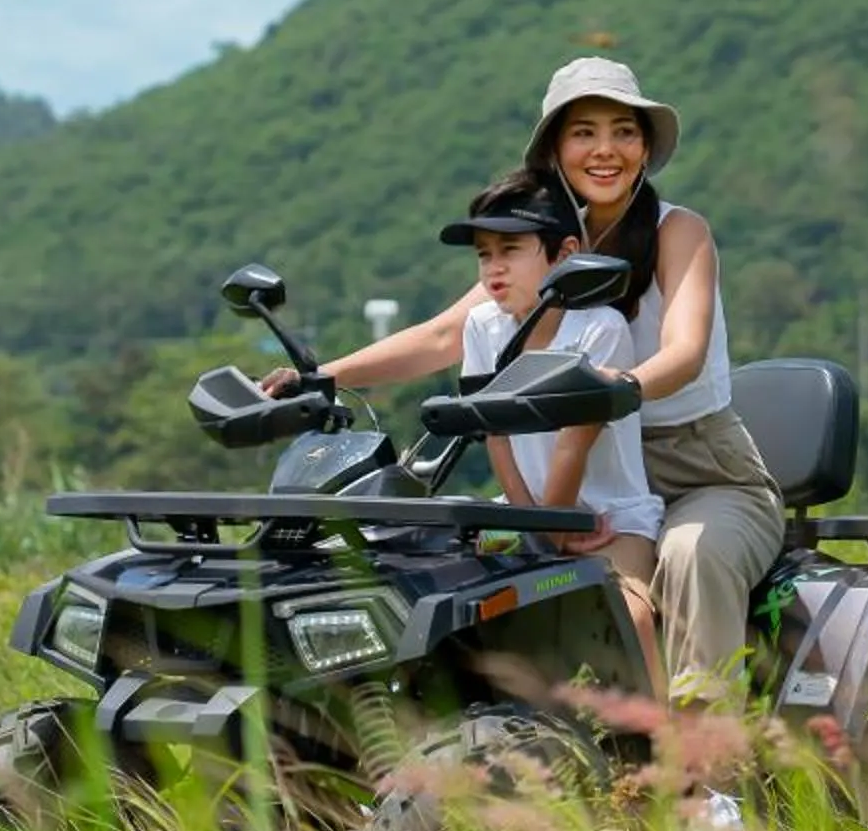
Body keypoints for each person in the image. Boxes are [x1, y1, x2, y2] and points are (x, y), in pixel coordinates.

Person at [281, 58, 784, 702]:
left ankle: (704, 771)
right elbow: (446, 335)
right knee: (428, 548)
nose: (605, 150)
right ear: (555, 148)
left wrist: (612, 389)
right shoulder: (539, 240)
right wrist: (320, 377)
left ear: (646, 146)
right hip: (571, 473)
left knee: (692, 557)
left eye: (624, 132)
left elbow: (684, 350)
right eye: (584, 133)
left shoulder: (676, 231)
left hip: (696, 466)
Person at [446, 169, 667, 693]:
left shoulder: (599, 328)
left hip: (610, 518)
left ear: (564, 253)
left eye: (510, 251)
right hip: (526, 513)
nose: (493, 269)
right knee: (445, 590)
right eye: (483, 255)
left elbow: (575, 442)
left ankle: (670, 753)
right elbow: (494, 433)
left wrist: (552, 530)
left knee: (630, 613)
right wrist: (534, 527)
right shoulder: (483, 326)